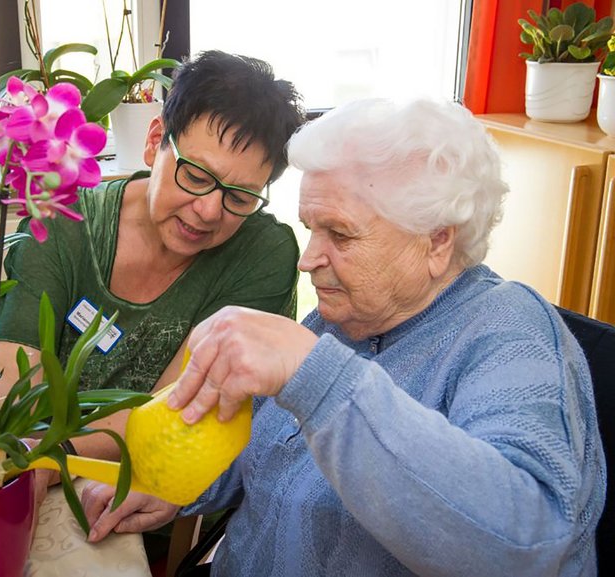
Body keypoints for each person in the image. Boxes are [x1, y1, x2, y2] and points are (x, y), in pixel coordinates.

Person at [78, 99, 606, 576]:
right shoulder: (353, 315)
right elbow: (267, 452)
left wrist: (316, 376)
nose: (309, 259)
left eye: (341, 234)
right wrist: (179, 489)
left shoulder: (511, 334)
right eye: (311, 228)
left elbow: (526, 548)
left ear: (437, 242)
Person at [0, 50, 305, 577]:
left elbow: (169, 415)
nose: (210, 210)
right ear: (153, 142)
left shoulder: (263, 254)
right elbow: (13, 388)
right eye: (195, 175)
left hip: (140, 503)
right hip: (22, 467)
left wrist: (37, 460)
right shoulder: (63, 218)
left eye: (240, 196)